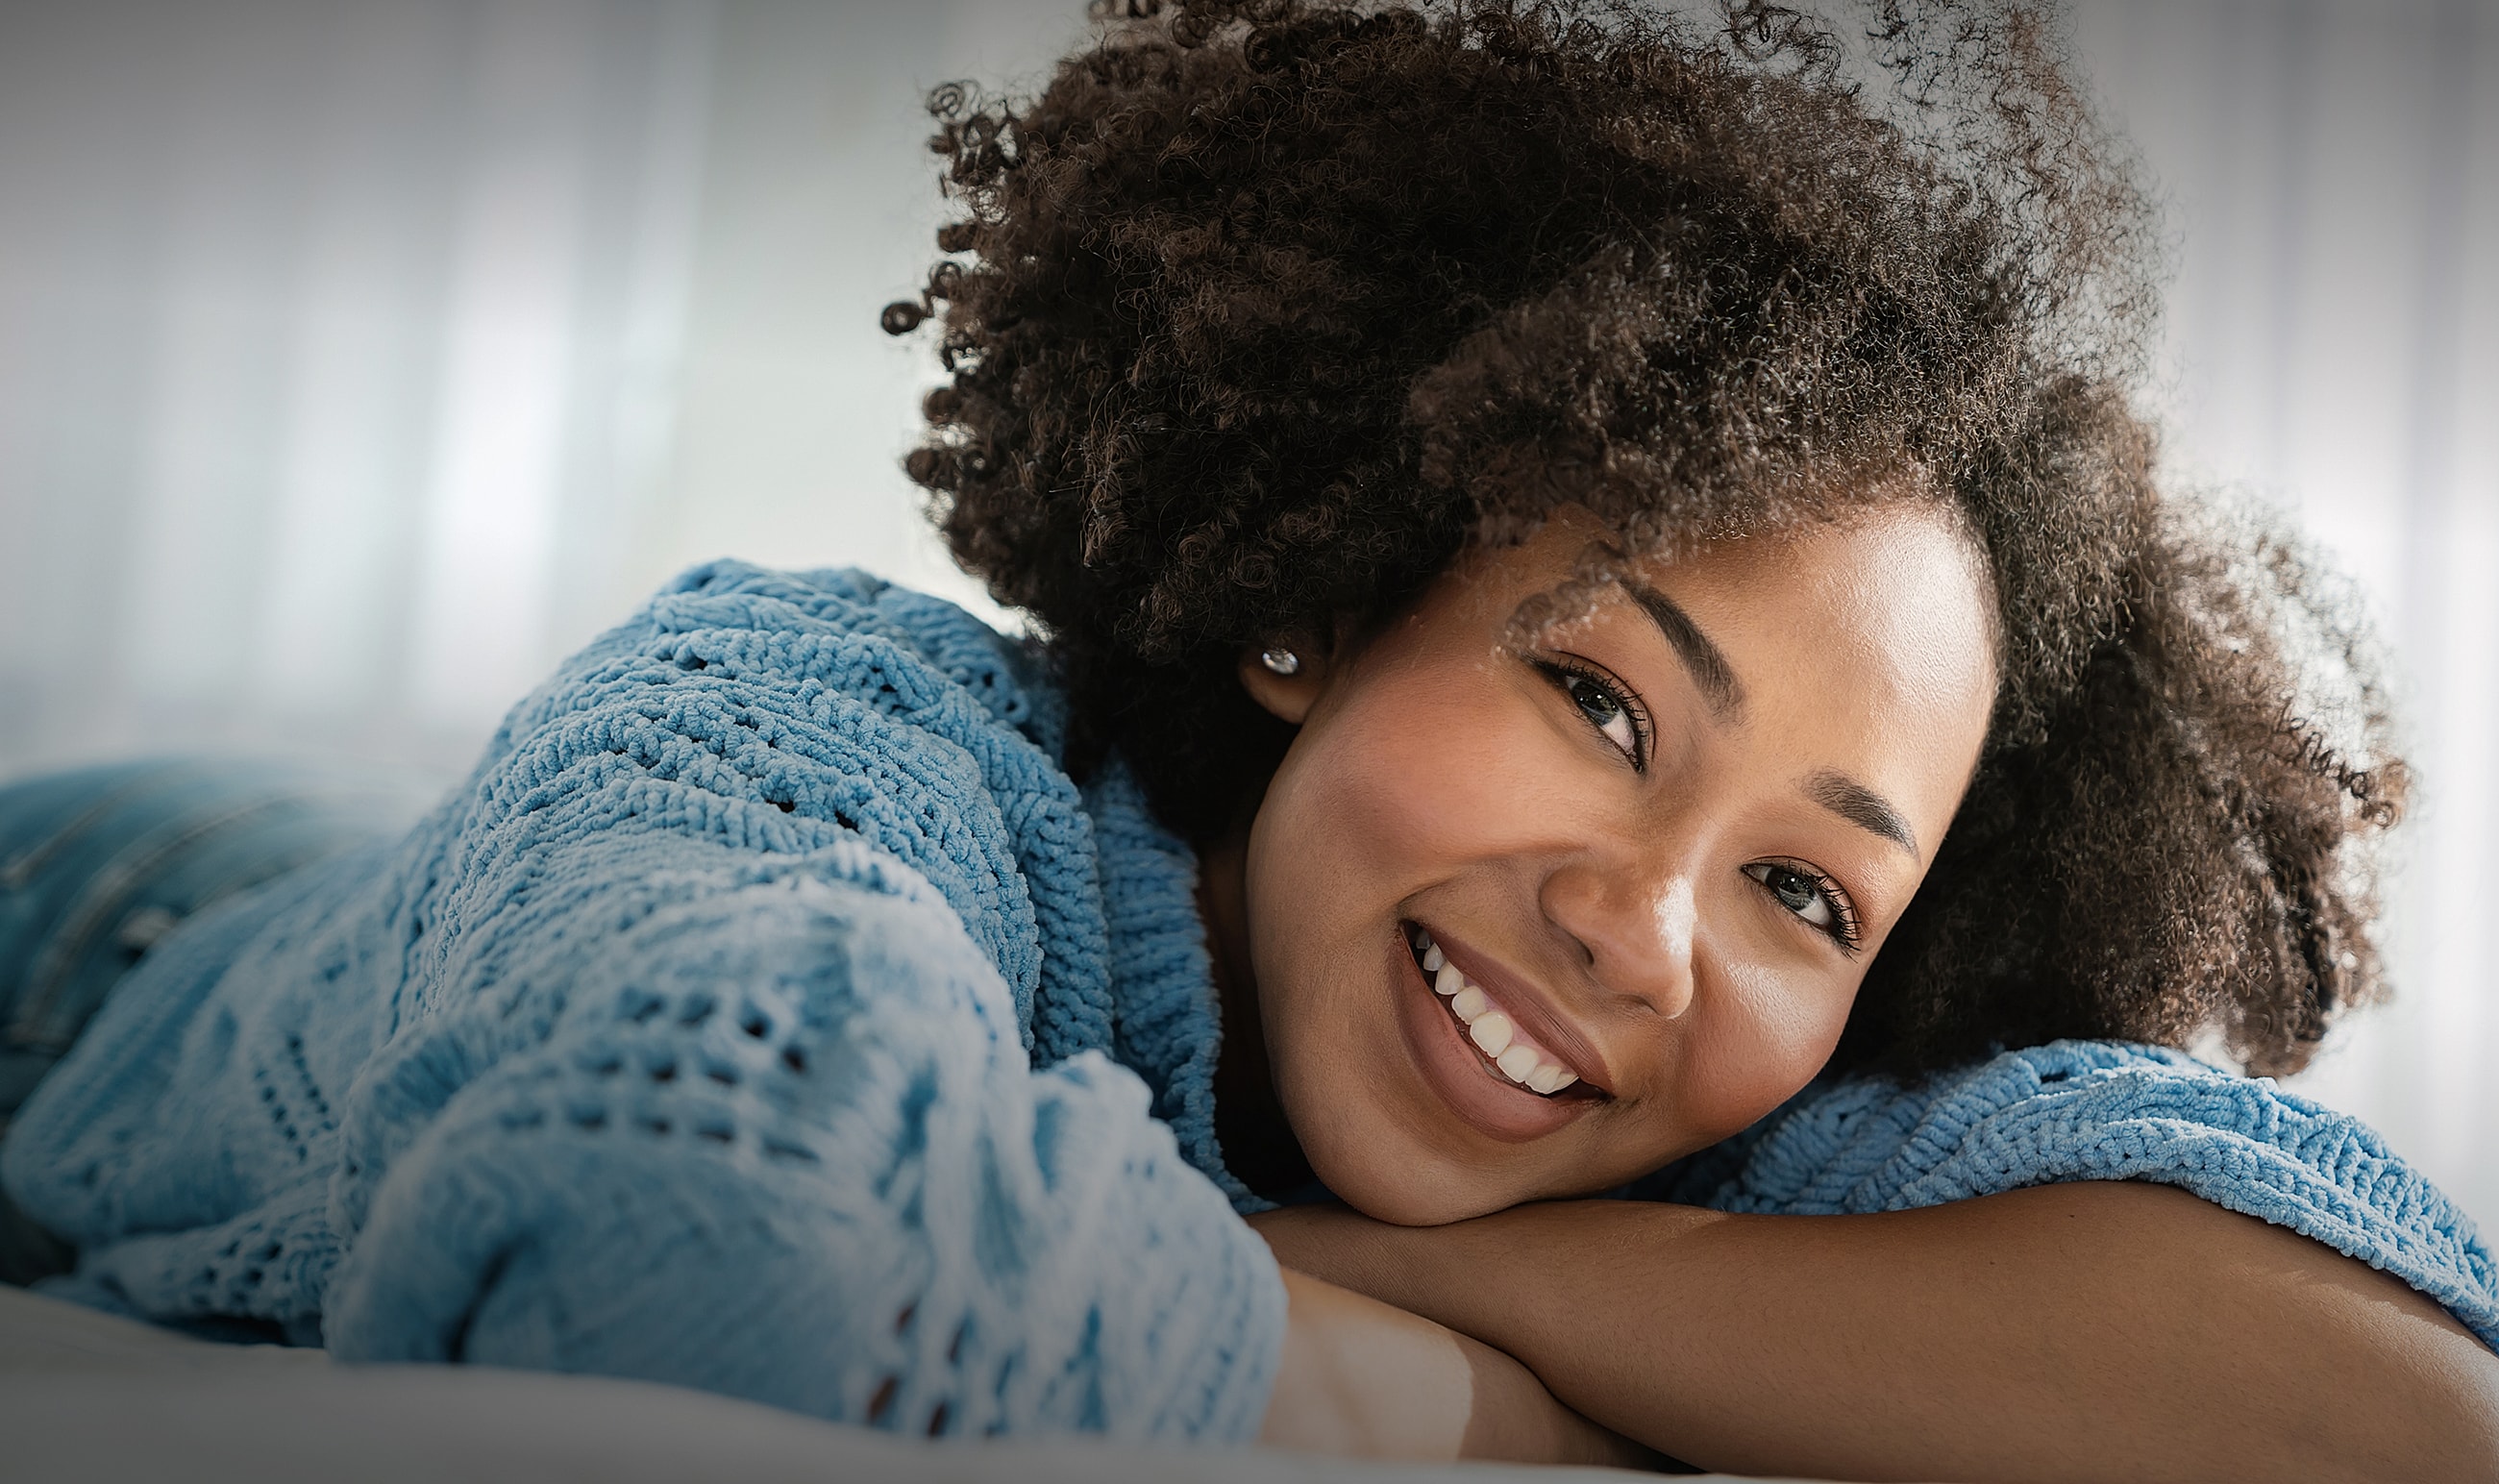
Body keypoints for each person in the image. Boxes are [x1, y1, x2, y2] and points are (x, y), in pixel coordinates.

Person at [2, 0, 2493, 1477]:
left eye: (1808, 883)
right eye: (1599, 698)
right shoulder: (823, 727)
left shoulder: (1719, 1069)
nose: (1642, 933)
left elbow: (2405, 1411)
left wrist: (1376, 1263)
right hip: (109, 926)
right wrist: (1464, 1408)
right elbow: (706, 1229)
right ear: (1317, 601)